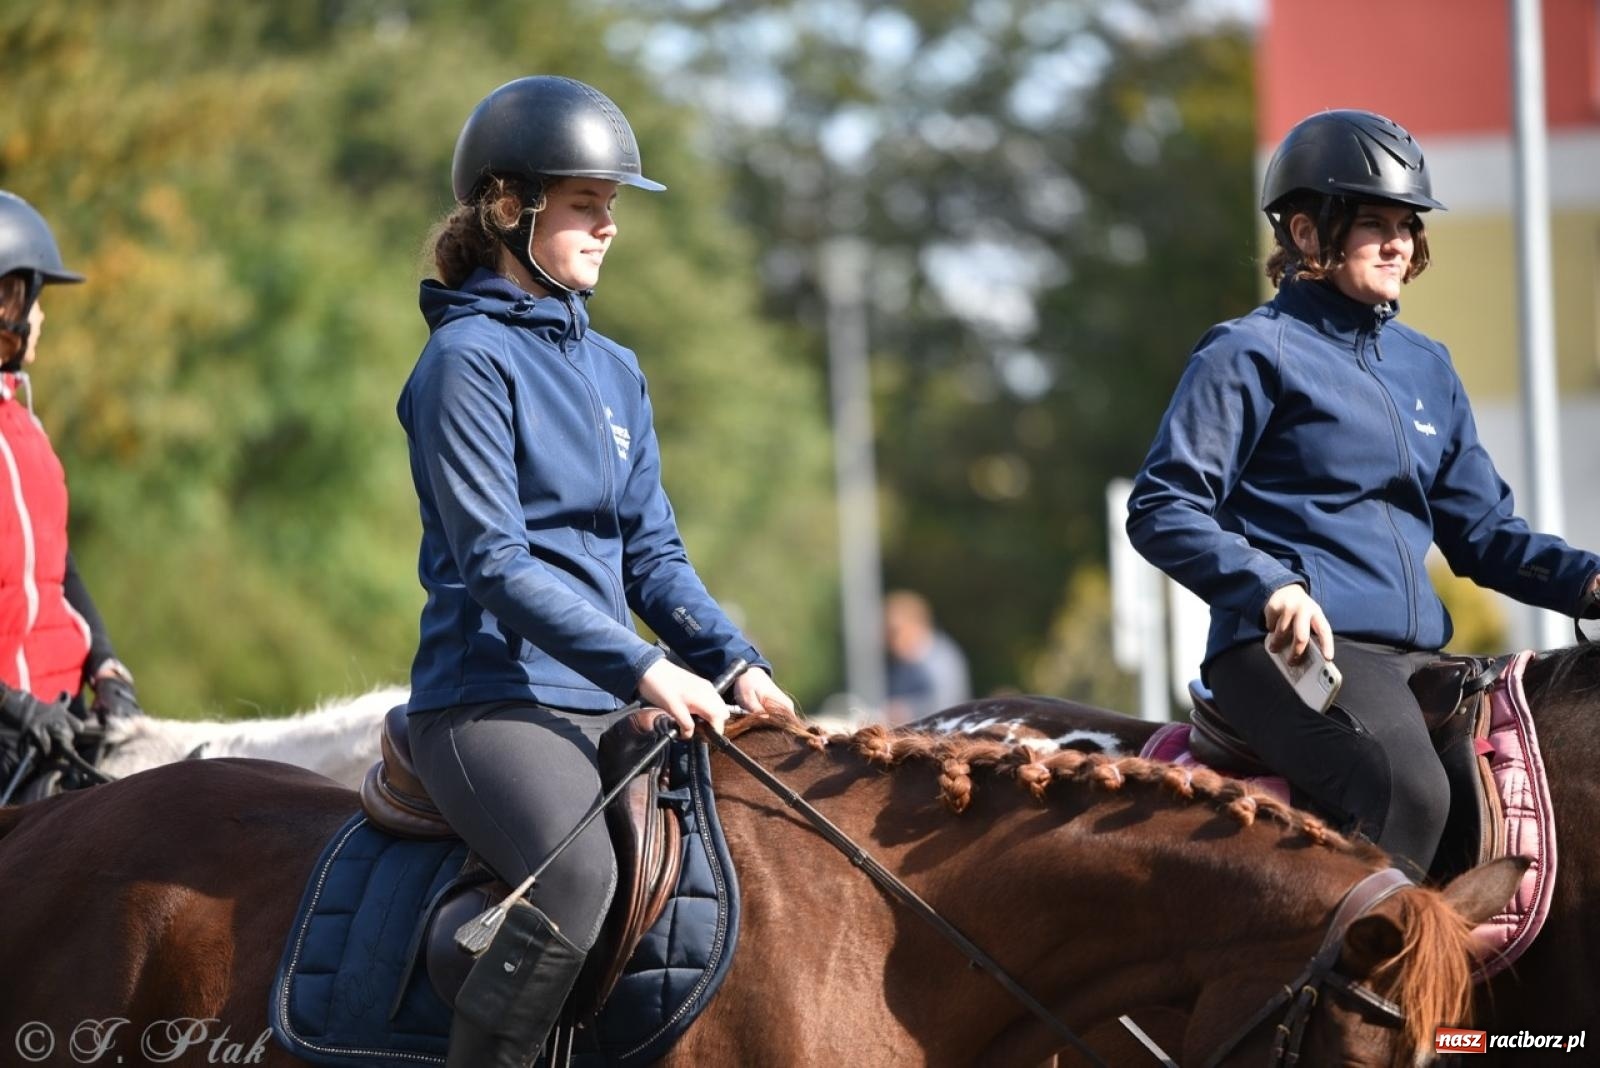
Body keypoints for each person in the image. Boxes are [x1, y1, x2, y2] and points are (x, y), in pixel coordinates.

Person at [397, 76, 795, 1067]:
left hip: (607, 695)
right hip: (490, 702)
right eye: (586, 204)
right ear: (508, 207)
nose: (609, 226)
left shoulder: (616, 370)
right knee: (576, 881)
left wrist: (736, 662)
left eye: (611, 205)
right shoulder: (464, 363)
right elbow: (495, 563)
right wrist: (648, 667)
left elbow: (653, 555)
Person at [1125, 110, 1600, 881]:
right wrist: (1270, 586)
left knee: (1520, 786)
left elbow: (1483, 535)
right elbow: (1162, 505)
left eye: (1407, 225)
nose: (1397, 243)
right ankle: (1345, 967)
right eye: (1373, 223)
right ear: (1306, 232)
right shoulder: (1247, 352)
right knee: (1408, 791)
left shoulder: (1427, 367)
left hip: (1414, 659)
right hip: (1285, 653)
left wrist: (1587, 581)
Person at [0, 191, 142, 790]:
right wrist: (13, 708)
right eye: (33, 300)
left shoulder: (23, 426)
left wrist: (104, 662)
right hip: (14, 734)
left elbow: (60, 566)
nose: (41, 318)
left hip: (60, 721)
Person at [882, 589, 970, 725]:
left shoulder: (940, 660)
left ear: (916, 625)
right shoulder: (899, 663)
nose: (887, 639)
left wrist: (906, 711)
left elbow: (947, 704)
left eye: (894, 631)